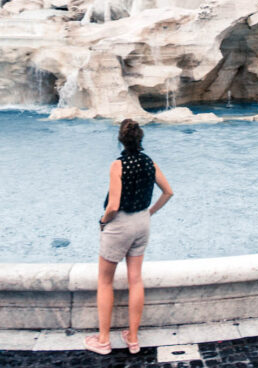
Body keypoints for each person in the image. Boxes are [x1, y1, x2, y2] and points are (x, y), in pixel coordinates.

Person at [84, 118, 173, 356]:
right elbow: (169, 192)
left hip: (120, 224)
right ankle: (133, 339)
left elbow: (113, 205)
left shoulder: (118, 165)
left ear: (121, 140)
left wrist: (103, 222)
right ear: (141, 138)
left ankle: (103, 340)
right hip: (142, 223)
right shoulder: (149, 162)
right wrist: (150, 212)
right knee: (136, 279)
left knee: (104, 281)